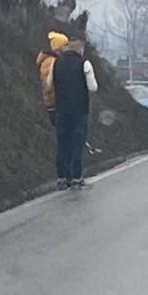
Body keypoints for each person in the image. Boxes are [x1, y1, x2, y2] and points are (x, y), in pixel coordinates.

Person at [51, 39, 98, 189]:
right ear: (80, 50)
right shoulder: (84, 63)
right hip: (79, 109)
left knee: (63, 143)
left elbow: (49, 83)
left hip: (61, 109)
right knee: (77, 143)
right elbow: (93, 87)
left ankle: (62, 177)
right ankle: (77, 176)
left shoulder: (56, 63)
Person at [37, 31, 69, 126]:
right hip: (55, 105)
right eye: (65, 45)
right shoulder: (50, 62)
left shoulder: (54, 61)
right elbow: (49, 85)